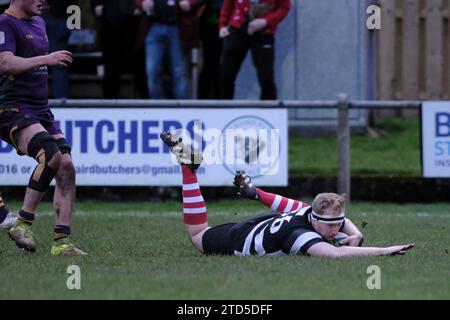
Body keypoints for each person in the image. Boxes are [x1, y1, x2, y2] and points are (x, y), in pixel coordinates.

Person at [159, 131, 415, 257]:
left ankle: (243, 188)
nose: (335, 229)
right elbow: (337, 255)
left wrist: (356, 233)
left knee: (294, 207)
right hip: (237, 239)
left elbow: (334, 220)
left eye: (338, 223)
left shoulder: (309, 213)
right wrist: (383, 250)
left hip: (254, 226)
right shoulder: (300, 236)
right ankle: (188, 169)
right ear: (315, 220)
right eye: (329, 225)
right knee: (197, 236)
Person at [0, 0, 86, 255]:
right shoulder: (5, 23)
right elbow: (5, 64)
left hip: (40, 109)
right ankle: (22, 224)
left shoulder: (39, 22)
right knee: (50, 154)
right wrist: (46, 59)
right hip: (12, 108)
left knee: (67, 165)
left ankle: (62, 242)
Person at [219, 0, 291, 100]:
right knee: (226, 75)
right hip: (237, 28)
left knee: (266, 79)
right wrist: (223, 25)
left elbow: (284, 8)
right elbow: (228, 3)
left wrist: (266, 21)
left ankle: (268, 112)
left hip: (264, 31)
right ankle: (223, 111)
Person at [136, 0, 205, 99]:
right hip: (153, 25)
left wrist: (191, 3)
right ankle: (156, 109)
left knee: (180, 72)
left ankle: (182, 110)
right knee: (153, 71)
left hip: (178, 27)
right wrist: (141, 3)